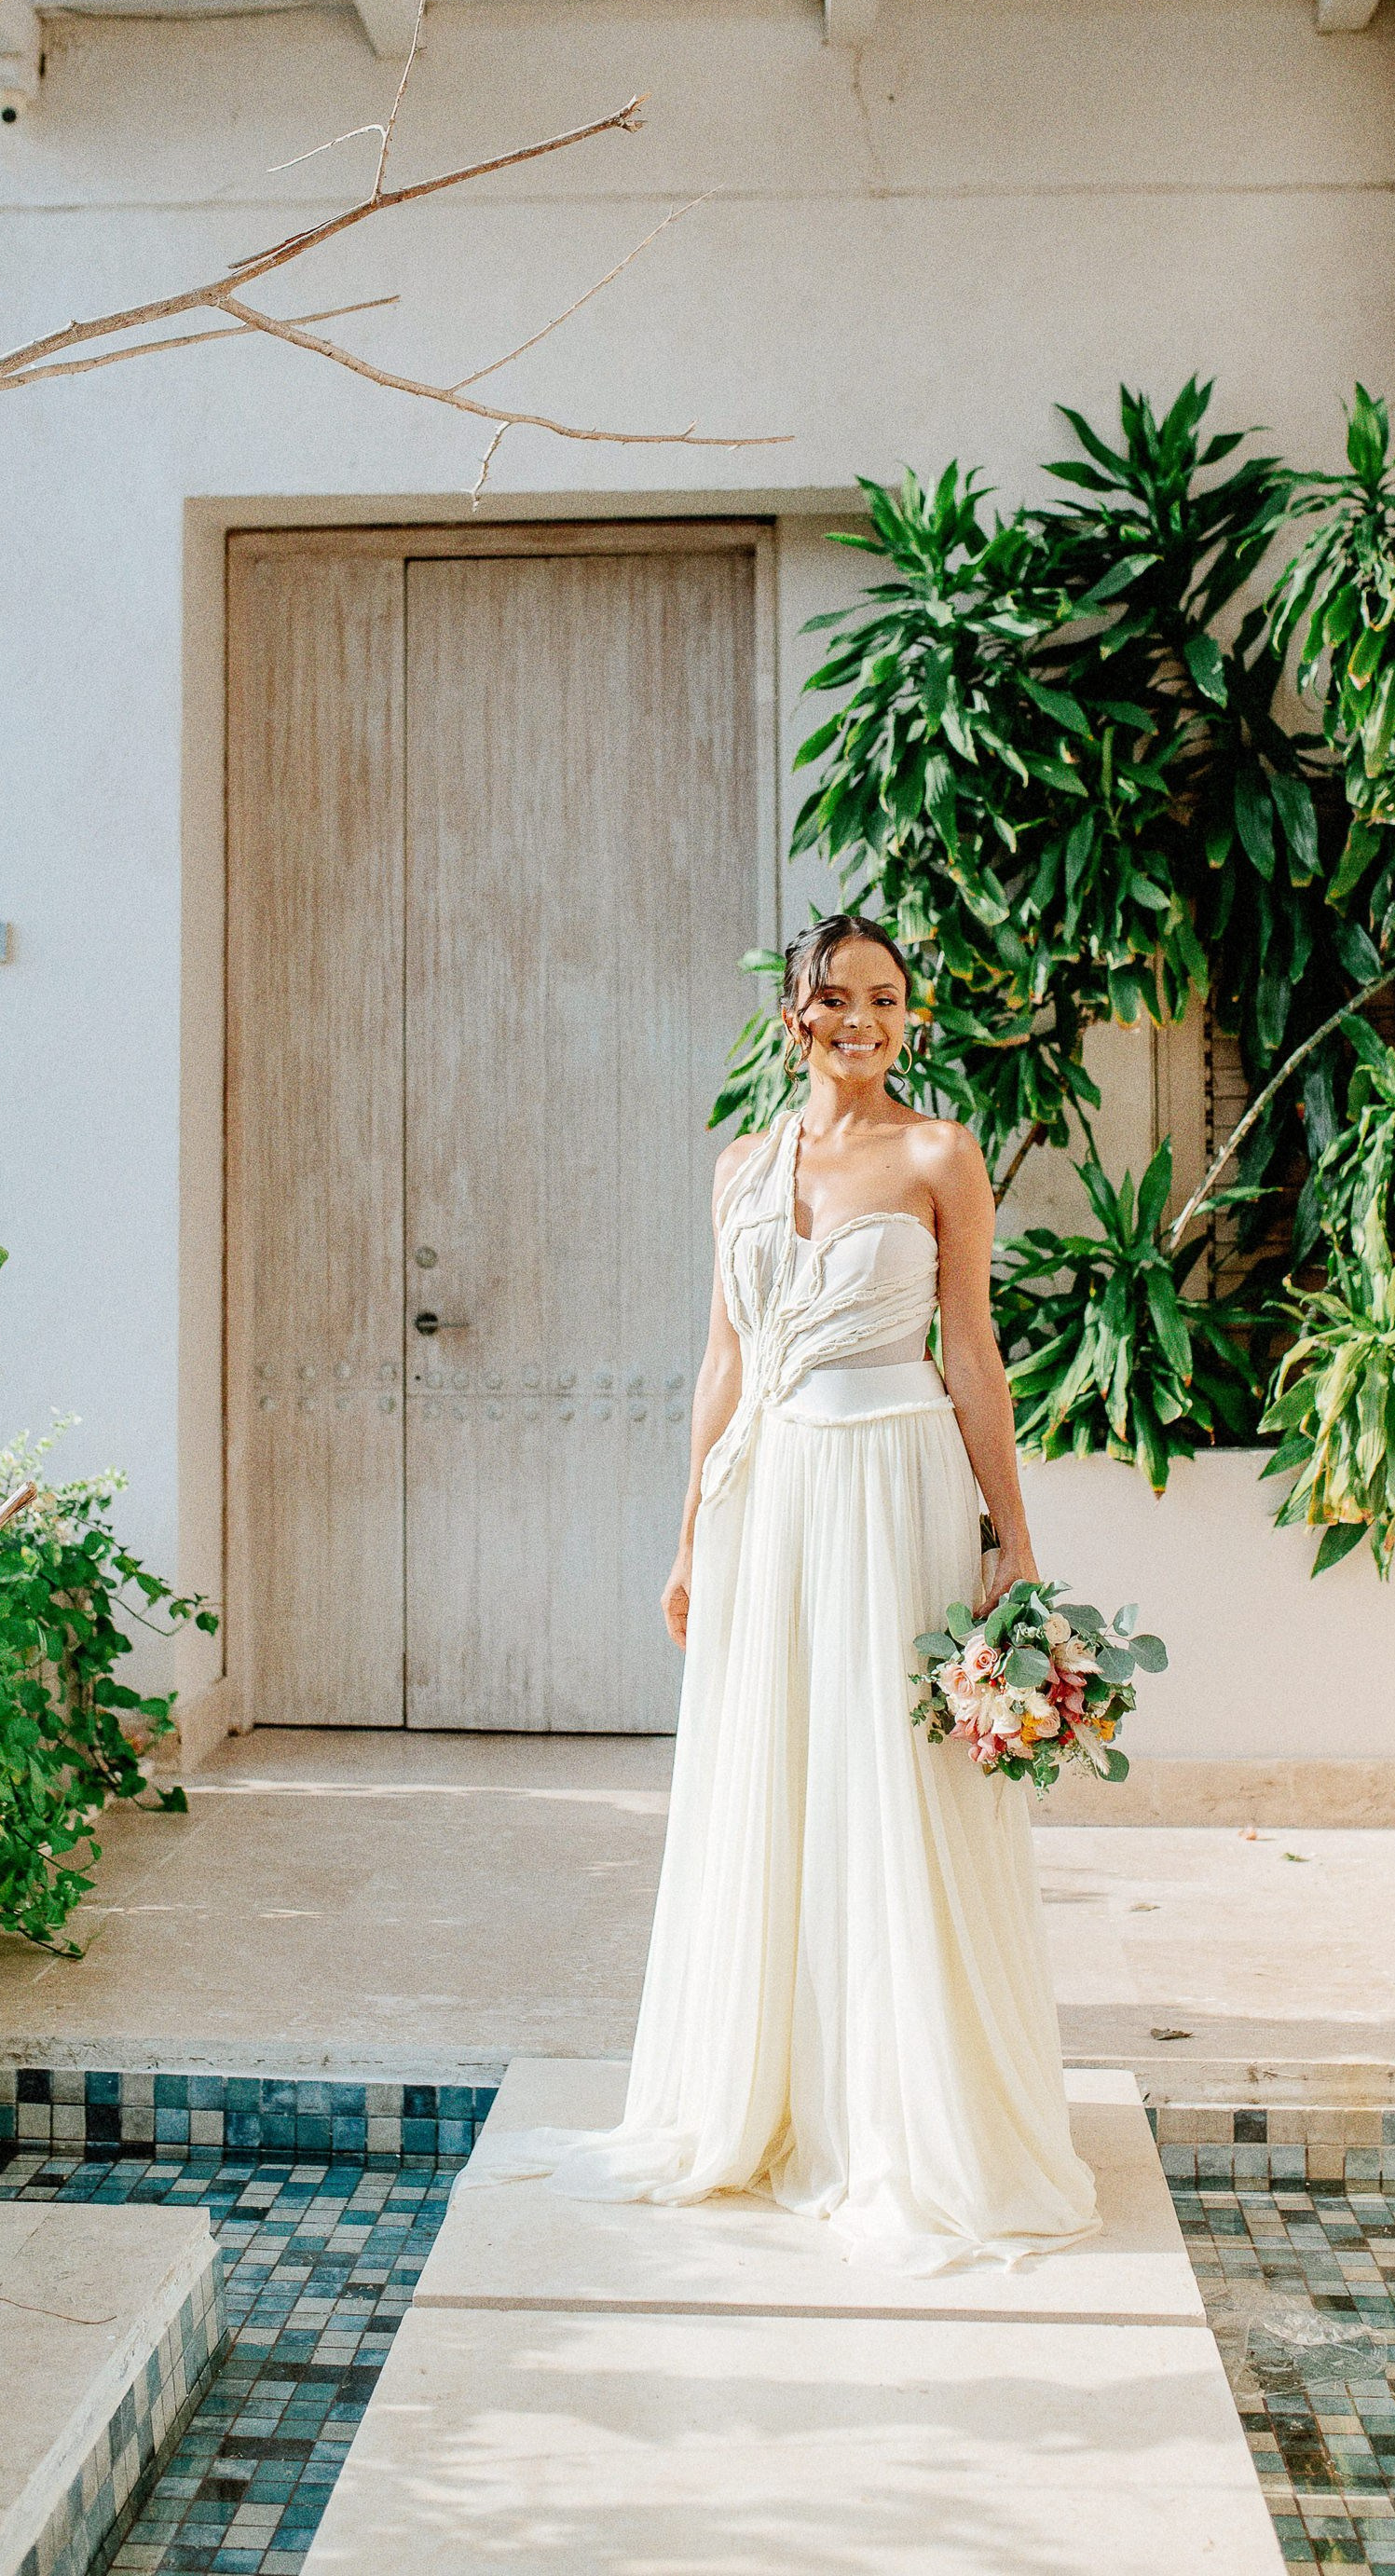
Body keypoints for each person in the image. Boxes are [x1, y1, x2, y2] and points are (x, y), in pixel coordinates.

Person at [472, 914, 1097, 2271]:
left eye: (885, 998)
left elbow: (974, 1352)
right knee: (772, 1782)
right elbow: (722, 1362)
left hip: (896, 1485)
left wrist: (1014, 1537)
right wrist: (692, 1534)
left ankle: (902, 2117)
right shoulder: (741, 1166)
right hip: (773, 1497)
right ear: (795, 1016)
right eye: (836, 997)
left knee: (888, 1784)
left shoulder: (942, 1154)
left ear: (906, 1017)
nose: (860, 1018)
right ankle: (761, 2098)